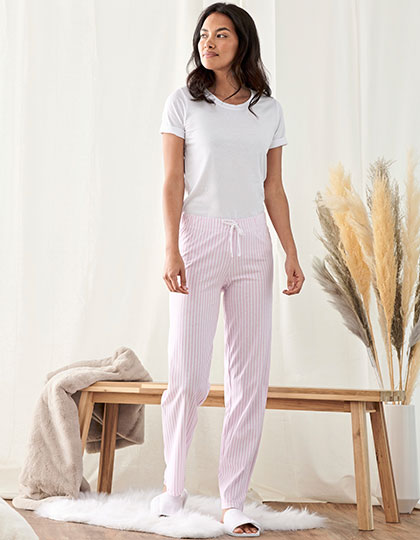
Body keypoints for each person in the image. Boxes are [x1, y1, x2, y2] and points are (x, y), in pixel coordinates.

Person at [151, 2, 304, 536]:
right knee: (187, 375)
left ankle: (233, 500)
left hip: (253, 244)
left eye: (220, 34)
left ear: (242, 42)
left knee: (249, 378)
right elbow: (172, 181)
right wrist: (171, 248)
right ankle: (173, 489)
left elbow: (273, 187)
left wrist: (290, 250)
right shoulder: (183, 103)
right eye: (203, 35)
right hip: (198, 238)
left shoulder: (269, 110)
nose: (208, 43)